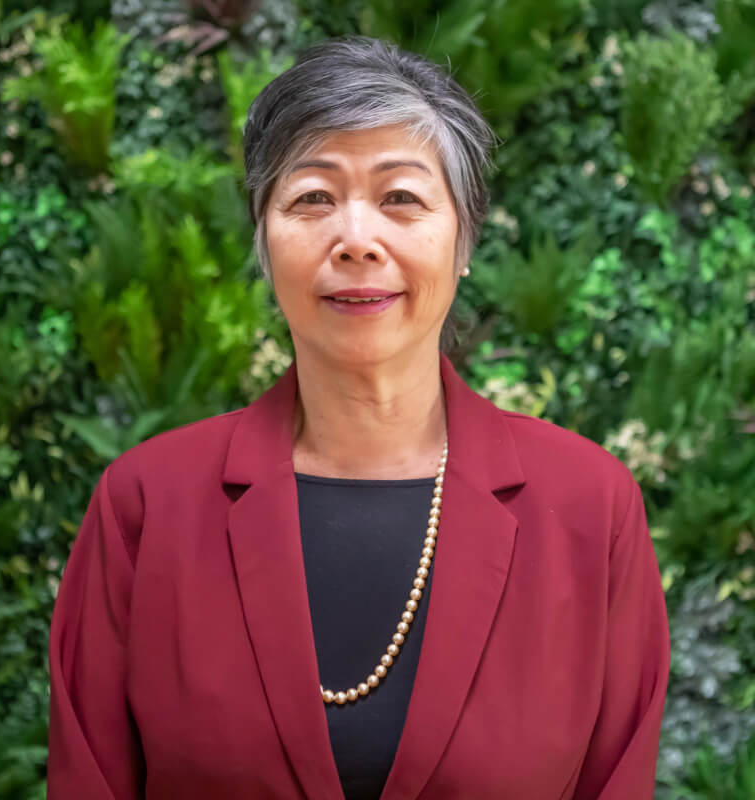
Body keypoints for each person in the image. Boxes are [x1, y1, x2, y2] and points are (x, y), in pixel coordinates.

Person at [46, 35, 670, 800]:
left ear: (464, 238)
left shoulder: (587, 509)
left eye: (400, 198)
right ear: (265, 244)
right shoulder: (146, 505)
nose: (357, 240)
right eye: (312, 198)